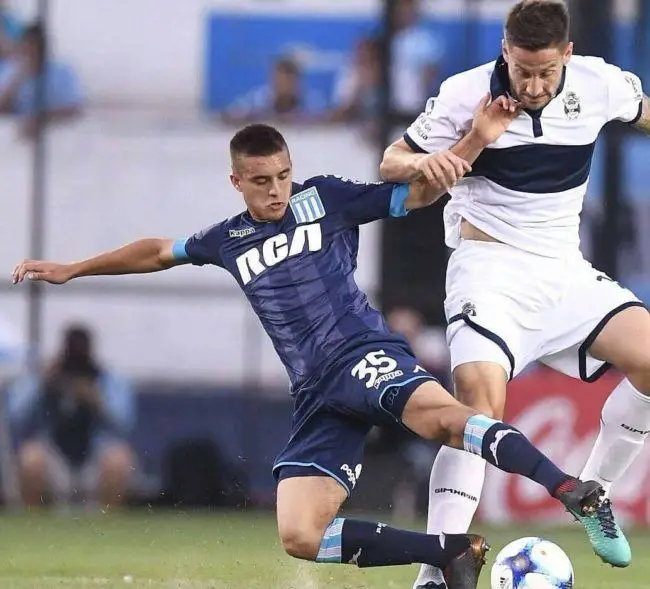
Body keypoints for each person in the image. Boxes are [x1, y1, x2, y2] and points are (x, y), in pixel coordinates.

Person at [13, 123, 604, 589]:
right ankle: (451, 553)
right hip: (317, 393)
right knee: (300, 534)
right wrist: (74, 267)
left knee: (447, 420)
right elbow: (156, 252)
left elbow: (416, 193)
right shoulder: (227, 239)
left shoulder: (326, 198)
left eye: (283, 176)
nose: (276, 190)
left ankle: (569, 488)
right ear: (236, 183)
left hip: (362, 354)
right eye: (262, 181)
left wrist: (472, 141)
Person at [379, 0, 650, 586]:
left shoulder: (599, 84)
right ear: (505, 51)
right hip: (489, 271)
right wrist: (443, 158)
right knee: (476, 408)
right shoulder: (463, 94)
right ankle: (436, 569)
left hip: (564, 270)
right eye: (522, 69)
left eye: (545, 72)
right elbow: (390, 162)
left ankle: (593, 494)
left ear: (568, 57)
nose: (532, 84)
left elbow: (644, 112)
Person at [8, 324, 136, 509]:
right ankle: (32, 523)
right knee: (30, 458)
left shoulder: (107, 378)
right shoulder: (46, 377)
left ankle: (108, 525)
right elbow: (16, 416)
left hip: (93, 451)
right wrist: (43, 383)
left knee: (119, 459)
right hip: (54, 449)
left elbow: (125, 425)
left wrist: (96, 400)